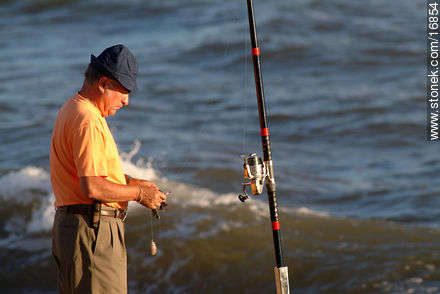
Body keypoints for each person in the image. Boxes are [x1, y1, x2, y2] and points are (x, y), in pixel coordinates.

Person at [50, 44, 167, 293]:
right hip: (92, 232)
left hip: (74, 228)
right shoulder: (88, 120)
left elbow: (88, 173)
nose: (127, 100)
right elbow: (92, 185)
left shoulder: (73, 108)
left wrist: (132, 182)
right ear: (103, 83)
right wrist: (139, 194)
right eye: (124, 90)